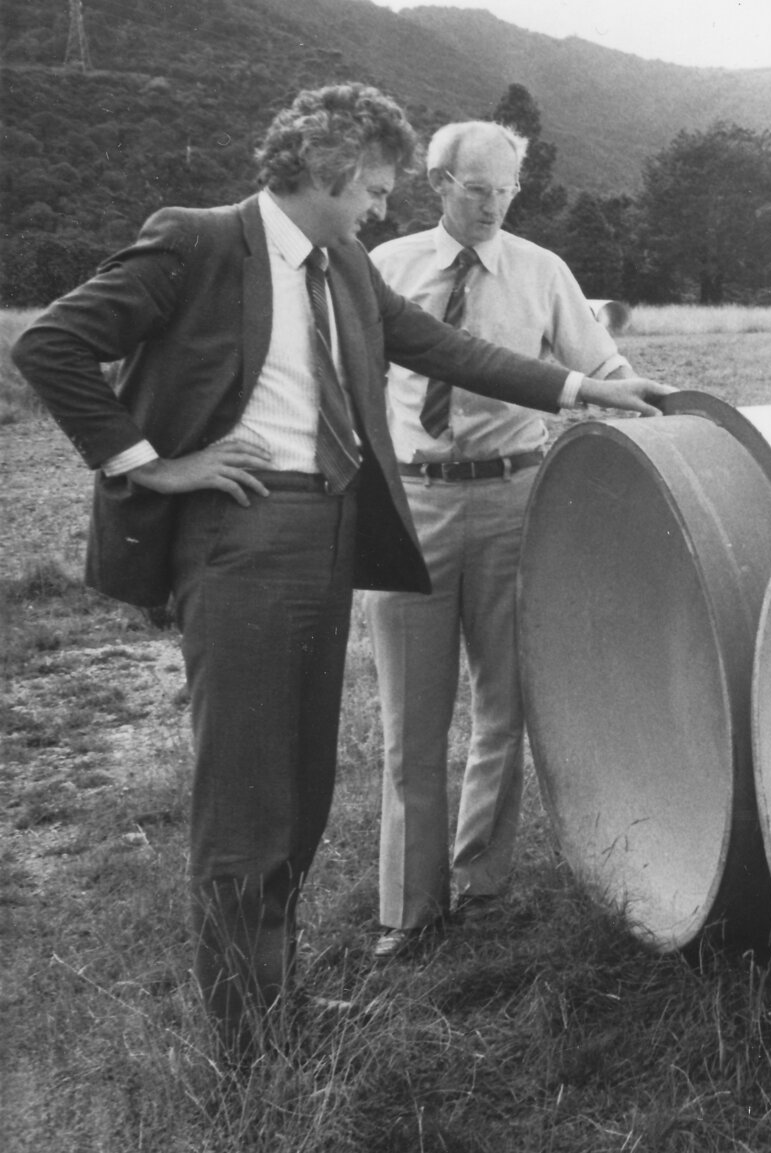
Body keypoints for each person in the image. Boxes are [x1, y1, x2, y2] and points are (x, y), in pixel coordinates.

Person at [10, 83, 675, 1063]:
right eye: (370, 188)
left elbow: (448, 349)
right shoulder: (198, 240)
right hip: (237, 537)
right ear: (322, 174)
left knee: (304, 785)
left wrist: (585, 389)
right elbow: (52, 345)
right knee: (247, 795)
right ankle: (249, 1045)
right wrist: (151, 463)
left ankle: (272, 1003)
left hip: (327, 532)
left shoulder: (343, 268)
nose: (378, 207)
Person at [364, 121, 626, 959]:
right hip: (416, 504)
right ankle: (411, 908)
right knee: (412, 715)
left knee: (504, 705)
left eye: (507, 189)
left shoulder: (544, 272)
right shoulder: (386, 269)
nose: (493, 205)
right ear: (438, 182)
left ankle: (481, 884)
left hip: (517, 499)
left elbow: (602, 368)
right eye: (477, 189)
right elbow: (349, 385)